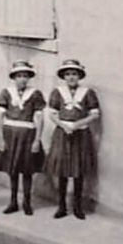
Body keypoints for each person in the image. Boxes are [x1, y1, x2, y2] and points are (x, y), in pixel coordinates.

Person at [45, 59, 100, 220]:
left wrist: (77, 124)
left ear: (79, 76)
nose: (71, 77)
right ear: (64, 76)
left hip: (80, 133)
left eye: (74, 74)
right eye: (68, 74)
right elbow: (52, 114)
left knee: (78, 171)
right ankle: (61, 206)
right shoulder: (57, 92)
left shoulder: (88, 93)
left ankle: (77, 207)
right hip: (63, 133)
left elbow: (94, 114)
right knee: (62, 170)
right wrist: (64, 126)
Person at [0, 60, 46, 215]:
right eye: (19, 76)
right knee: (13, 169)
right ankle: (13, 201)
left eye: (25, 76)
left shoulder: (35, 94)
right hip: (10, 134)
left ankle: (27, 202)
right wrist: (1, 139)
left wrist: (37, 140)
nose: (22, 79)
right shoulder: (6, 92)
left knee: (27, 169)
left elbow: (39, 118)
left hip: (28, 135)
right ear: (14, 77)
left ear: (29, 78)